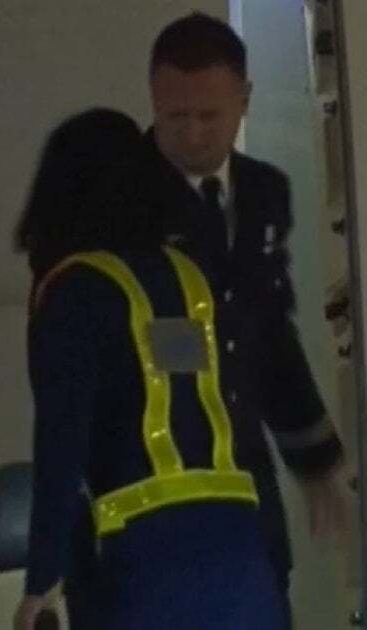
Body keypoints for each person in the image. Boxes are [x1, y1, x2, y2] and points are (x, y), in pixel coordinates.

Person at [94, 13, 349, 616]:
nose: (193, 134)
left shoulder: (262, 191)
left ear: (244, 100)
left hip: (243, 467)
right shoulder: (113, 200)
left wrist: (313, 457)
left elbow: (268, 328)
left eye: (210, 116)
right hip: (153, 472)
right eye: (175, 116)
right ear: (153, 102)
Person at [14, 108, 288, 630]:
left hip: (141, 557)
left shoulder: (73, 291)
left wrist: (41, 581)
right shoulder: (187, 279)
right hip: (237, 546)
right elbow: (192, 404)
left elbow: (61, 443)